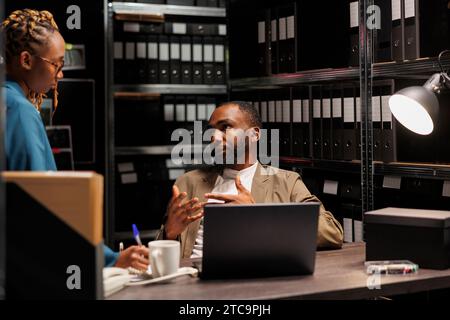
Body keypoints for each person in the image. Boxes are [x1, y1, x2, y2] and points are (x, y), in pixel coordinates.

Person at [2, 9, 149, 271]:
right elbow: (43, 204)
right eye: (56, 64)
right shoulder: (20, 110)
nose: (60, 75)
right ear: (26, 60)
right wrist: (110, 258)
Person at [157, 101, 344, 258]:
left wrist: (258, 215)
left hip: (254, 280)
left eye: (225, 127)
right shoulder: (188, 182)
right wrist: (169, 233)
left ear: (254, 135)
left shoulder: (286, 181)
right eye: (211, 130)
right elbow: (159, 255)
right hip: (193, 282)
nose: (214, 137)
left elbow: (331, 233)